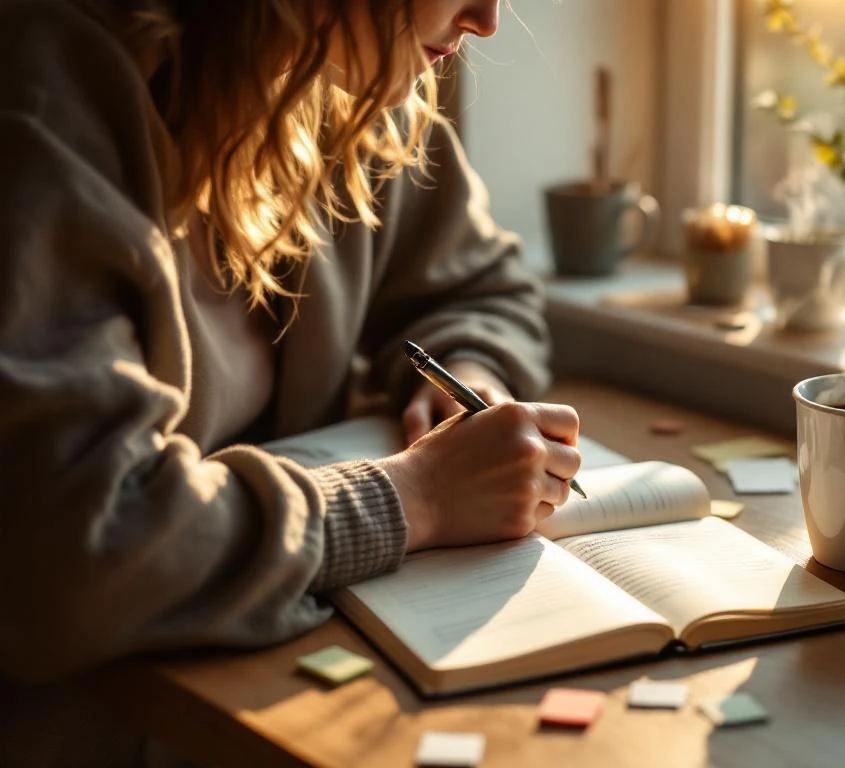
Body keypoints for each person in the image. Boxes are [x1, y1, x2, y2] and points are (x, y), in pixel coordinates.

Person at [0, 0, 582, 764]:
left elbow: (480, 286)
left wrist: (469, 372)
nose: (487, 18)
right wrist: (421, 497)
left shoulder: (343, 86)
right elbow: (78, 551)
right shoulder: (41, 97)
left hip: (260, 692)